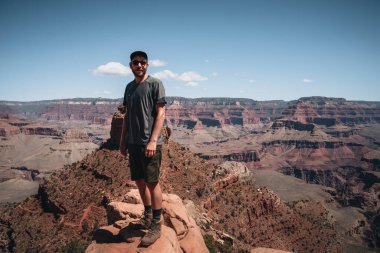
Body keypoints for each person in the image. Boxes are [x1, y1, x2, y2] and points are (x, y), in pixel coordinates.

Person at [119, 51, 166, 247]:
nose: (139, 65)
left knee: (152, 182)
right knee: (139, 180)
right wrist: (122, 141)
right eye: (135, 62)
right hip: (133, 143)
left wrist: (153, 140)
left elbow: (161, 113)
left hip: (149, 143)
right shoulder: (129, 87)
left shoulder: (155, 83)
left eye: (142, 62)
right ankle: (147, 214)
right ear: (130, 66)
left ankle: (157, 222)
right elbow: (128, 116)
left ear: (147, 65)